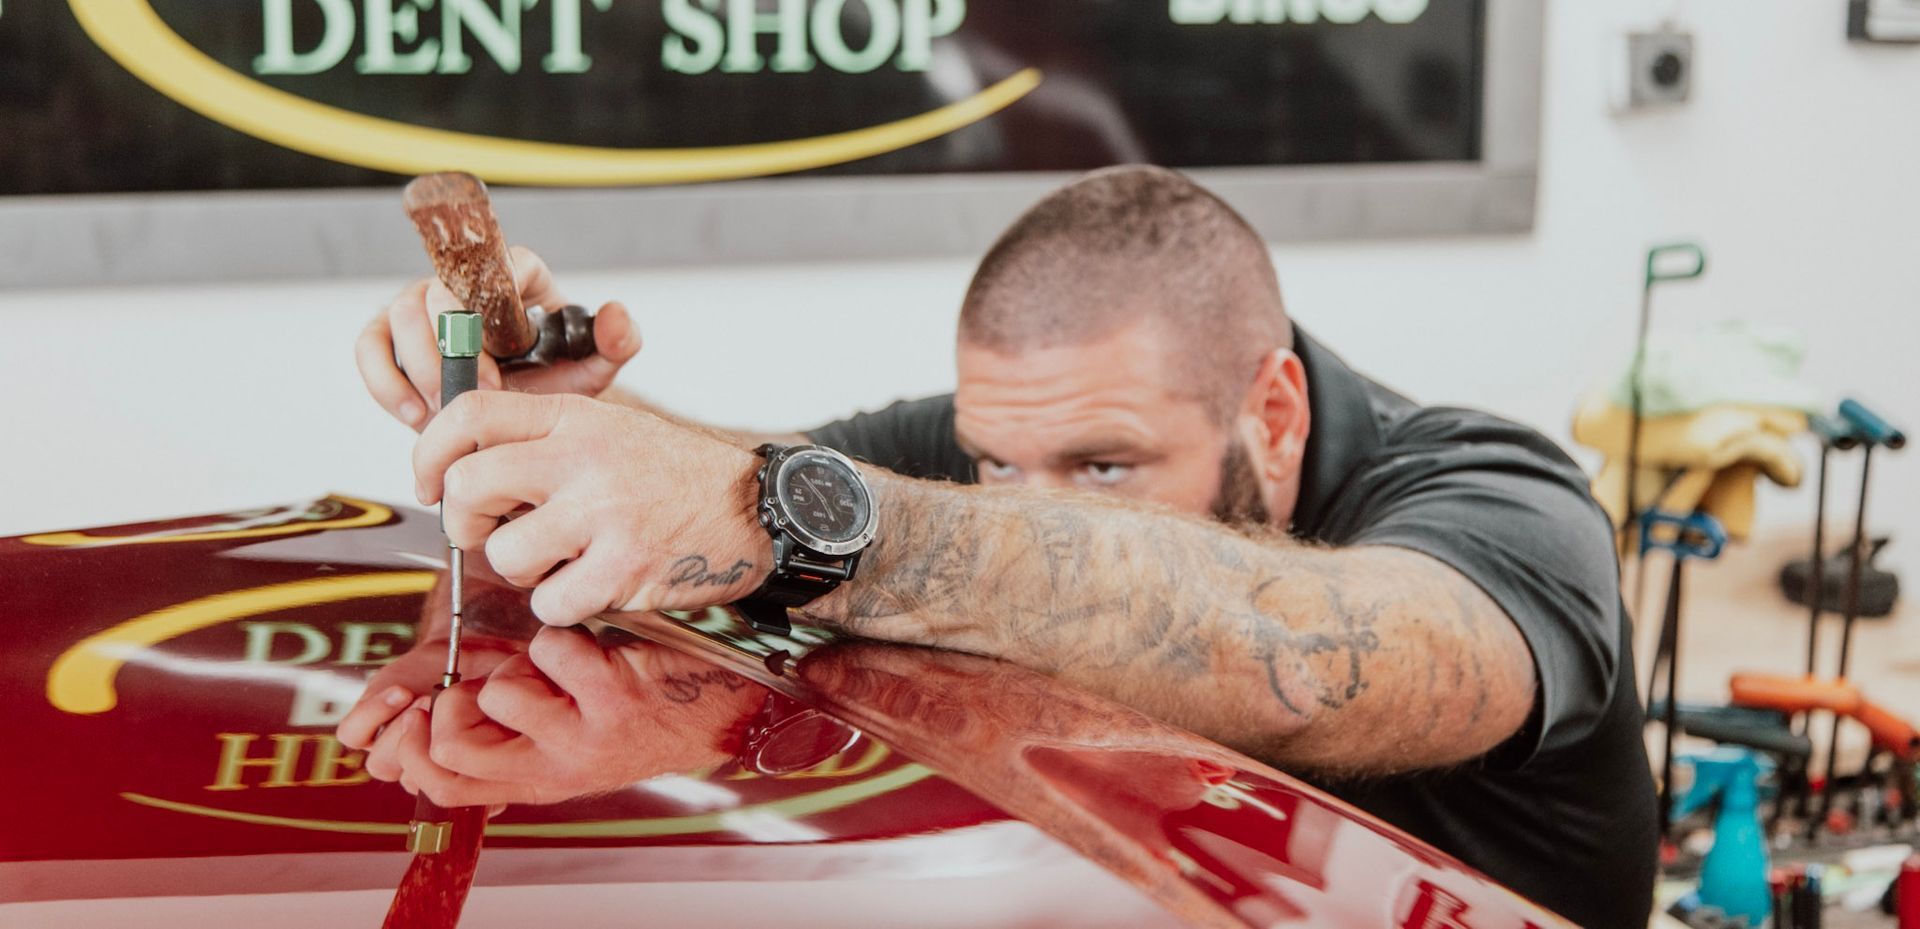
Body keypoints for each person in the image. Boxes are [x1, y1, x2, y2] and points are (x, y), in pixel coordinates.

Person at [347, 166, 1656, 928]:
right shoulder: (1000, 453)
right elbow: (738, 491)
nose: (1036, 504)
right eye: (994, 463)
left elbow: (1318, 651)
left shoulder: (1503, 499)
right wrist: (574, 431)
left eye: (1104, 467)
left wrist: (777, 519)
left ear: (1272, 408)